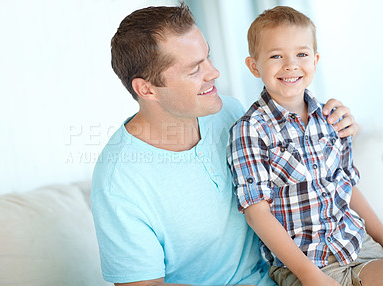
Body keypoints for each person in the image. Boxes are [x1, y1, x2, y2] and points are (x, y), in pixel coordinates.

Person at [91, 4, 358, 286]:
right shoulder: (118, 184)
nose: (214, 72)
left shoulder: (229, 112)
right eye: (195, 70)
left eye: (208, 57)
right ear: (147, 89)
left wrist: (339, 124)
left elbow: (312, 174)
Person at [227, 6, 383, 286]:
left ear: (315, 59)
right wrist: (310, 276)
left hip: (357, 246)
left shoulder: (331, 117)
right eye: (276, 56)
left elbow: (347, 185)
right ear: (254, 66)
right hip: (306, 264)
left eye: (301, 54)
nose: (291, 65)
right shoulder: (250, 130)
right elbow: (257, 213)